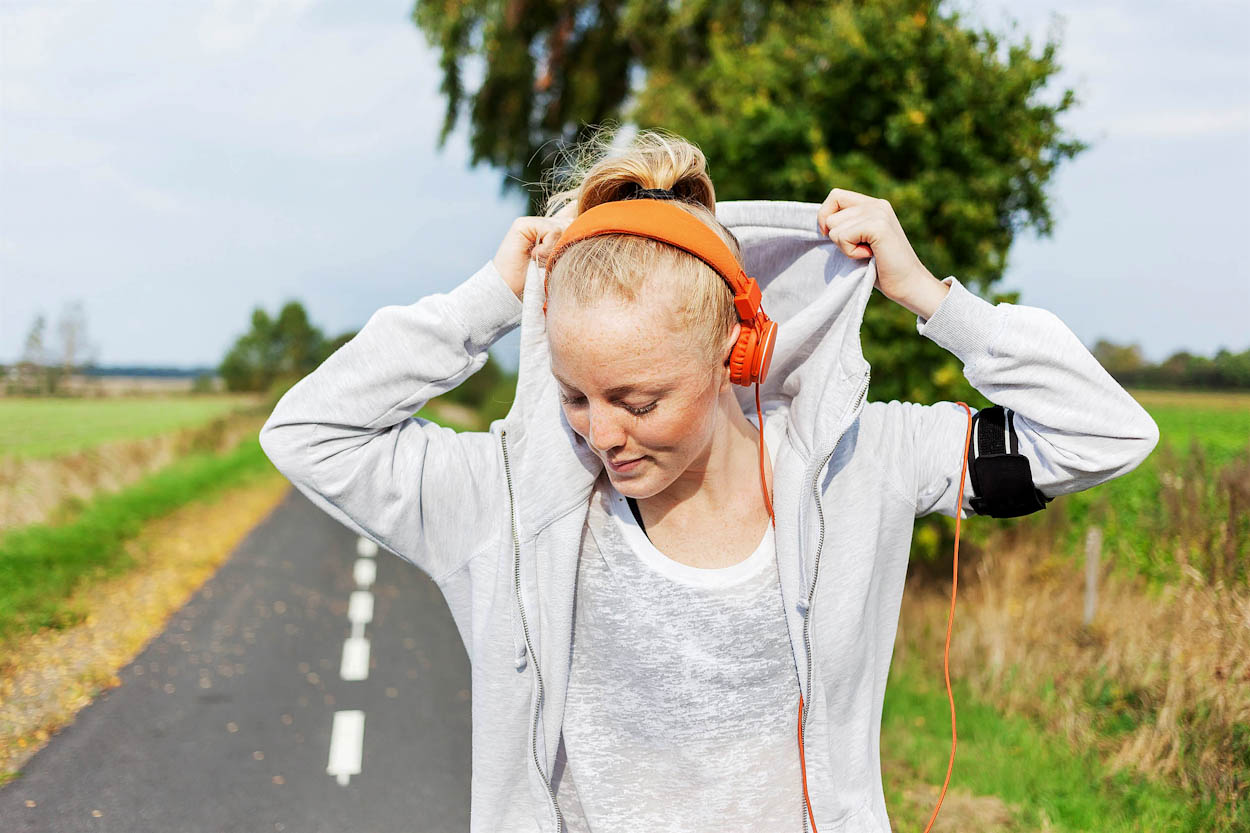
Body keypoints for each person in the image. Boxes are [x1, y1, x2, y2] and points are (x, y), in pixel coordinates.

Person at [258, 126, 1160, 833]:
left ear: (738, 350)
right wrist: (490, 299)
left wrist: (933, 297)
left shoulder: (858, 465)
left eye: (640, 399)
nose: (603, 432)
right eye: (575, 393)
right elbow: (309, 431)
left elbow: (1104, 431)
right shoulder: (503, 496)